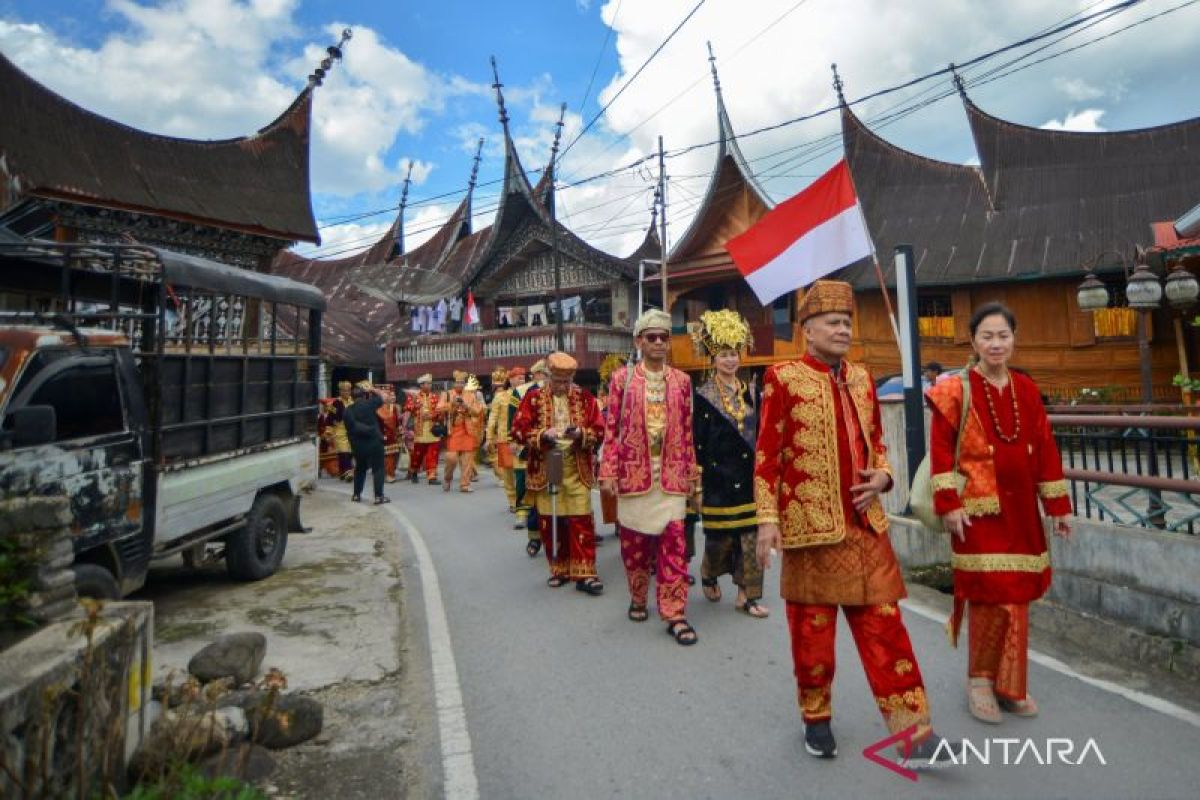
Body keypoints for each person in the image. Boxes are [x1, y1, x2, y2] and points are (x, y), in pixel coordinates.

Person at [754, 279, 956, 766]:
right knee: (814, 637)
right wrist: (767, 520)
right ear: (807, 328)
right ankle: (816, 717)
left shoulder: (864, 378)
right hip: (811, 531)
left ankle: (914, 733)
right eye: (833, 322)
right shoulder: (782, 378)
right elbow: (767, 455)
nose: (843, 329)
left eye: (847, 322)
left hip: (865, 526)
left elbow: (877, 446)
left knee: (887, 629)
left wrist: (885, 477)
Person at [926, 302, 1072, 724]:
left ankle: (1011, 684)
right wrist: (949, 504)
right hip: (977, 510)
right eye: (987, 336)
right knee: (990, 597)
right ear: (973, 341)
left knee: (1018, 597)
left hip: (1021, 508)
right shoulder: (955, 389)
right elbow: (940, 450)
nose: (995, 343)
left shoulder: (1026, 388)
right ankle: (979, 681)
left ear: (1014, 339)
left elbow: (1044, 447)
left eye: (1003, 335)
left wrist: (1058, 507)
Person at [599, 309, 701, 647]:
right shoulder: (622, 380)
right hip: (634, 474)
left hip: (671, 476)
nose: (658, 342)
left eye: (663, 337)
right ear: (639, 341)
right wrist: (609, 470)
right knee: (636, 546)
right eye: (651, 337)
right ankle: (638, 595)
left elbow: (687, 432)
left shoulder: (683, 382)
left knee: (675, 542)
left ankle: (674, 612)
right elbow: (611, 428)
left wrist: (691, 475)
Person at [691, 309, 766, 619]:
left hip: (748, 478)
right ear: (713, 358)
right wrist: (696, 485)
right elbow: (697, 442)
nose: (730, 360)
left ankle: (748, 595)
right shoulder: (703, 396)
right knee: (719, 541)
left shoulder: (752, 394)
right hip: (717, 480)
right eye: (723, 354)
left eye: (734, 353)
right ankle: (708, 572)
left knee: (750, 538)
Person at [512, 352, 605, 594]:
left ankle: (585, 573)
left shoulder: (585, 398)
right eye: (558, 382)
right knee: (551, 520)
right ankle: (559, 568)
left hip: (577, 465)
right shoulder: (533, 399)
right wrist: (542, 434)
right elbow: (519, 430)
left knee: (581, 518)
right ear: (548, 378)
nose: (562, 387)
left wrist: (581, 434)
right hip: (546, 466)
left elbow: (599, 429)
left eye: (567, 382)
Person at [511, 360, 550, 554]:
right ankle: (534, 537)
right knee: (536, 493)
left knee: (564, 493)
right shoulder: (526, 393)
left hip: (563, 452)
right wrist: (525, 442)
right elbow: (518, 422)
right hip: (537, 450)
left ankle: (565, 538)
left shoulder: (572, 392)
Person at [343, 381, 390, 504]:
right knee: (378, 469)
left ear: (351, 397)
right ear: (365, 395)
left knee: (360, 469)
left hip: (358, 446)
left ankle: (356, 495)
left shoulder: (347, 411)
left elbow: (349, 429)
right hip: (374, 442)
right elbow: (385, 397)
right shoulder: (370, 404)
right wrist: (373, 389)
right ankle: (379, 497)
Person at [439, 371, 485, 492]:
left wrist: (466, 406)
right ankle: (447, 478)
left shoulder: (471, 395)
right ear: (453, 383)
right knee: (451, 458)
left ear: (464, 384)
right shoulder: (447, 394)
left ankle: (465, 484)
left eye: (462, 382)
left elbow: (478, 411)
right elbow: (439, 408)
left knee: (467, 460)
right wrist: (452, 404)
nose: (459, 384)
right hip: (453, 430)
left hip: (468, 430)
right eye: (457, 382)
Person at [484, 366, 518, 512]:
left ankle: (525, 500)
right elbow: (492, 419)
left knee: (524, 472)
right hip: (505, 438)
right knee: (509, 472)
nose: (521, 380)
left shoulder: (529, 394)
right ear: (510, 380)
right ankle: (512, 501)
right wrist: (489, 438)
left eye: (523, 378)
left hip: (523, 439)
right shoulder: (501, 397)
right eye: (518, 378)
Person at [404, 374, 442, 484]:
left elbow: (440, 410)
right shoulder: (414, 396)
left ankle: (431, 476)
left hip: (432, 430)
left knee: (433, 454)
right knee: (418, 454)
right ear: (421, 385)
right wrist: (416, 407)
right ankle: (414, 472)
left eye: (430, 383)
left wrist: (432, 415)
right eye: (427, 383)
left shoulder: (435, 396)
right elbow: (407, 407)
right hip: (419, 430)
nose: (429, 385)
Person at [377, 385, 403, 483]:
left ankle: (390, 473)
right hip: (381, 434)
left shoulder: (394, 408)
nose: (388, 396)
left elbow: (397, 422)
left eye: (389, 394)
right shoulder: (378, 408)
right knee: (384, 456)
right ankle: (386, 474)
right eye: (386, 394)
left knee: (393, 455)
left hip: (393, 435)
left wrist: (399, 431)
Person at [329, 380, 355, 481]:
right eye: (343, 391)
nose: (346, 393)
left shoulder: (353, 401)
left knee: (350, 452)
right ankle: (348, 472)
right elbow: (330, 418)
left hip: (352, 430)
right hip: (340, 430)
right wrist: (329, 432)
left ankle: (342, 472)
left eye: (348, 390)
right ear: (340, 391)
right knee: (344, 452)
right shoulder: (336, 403)